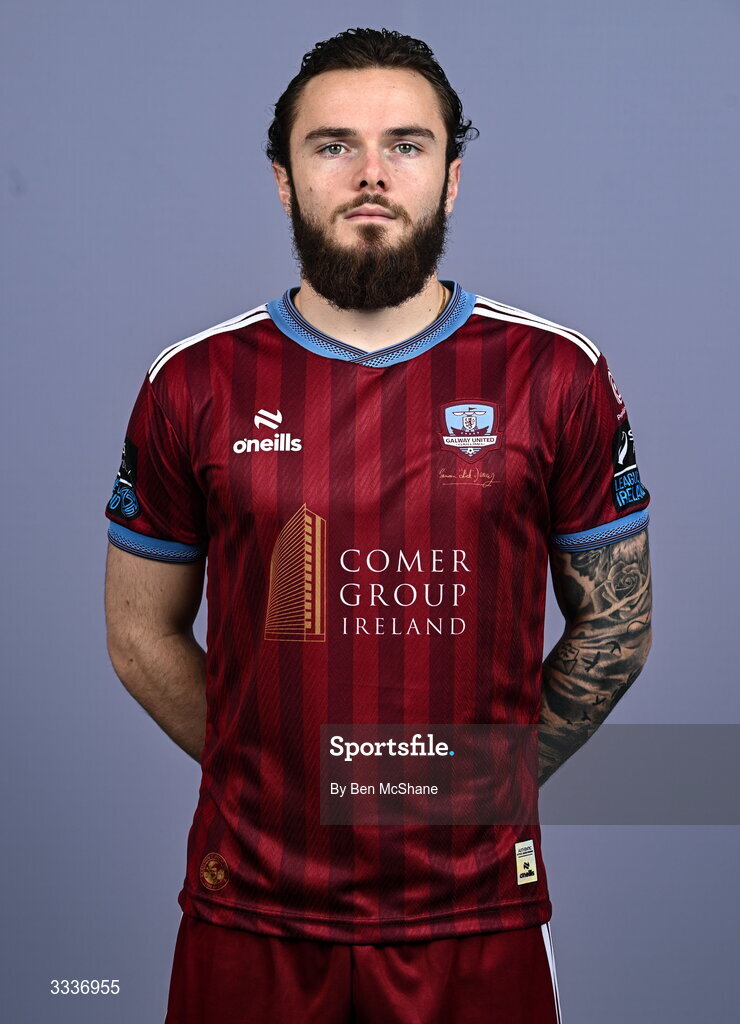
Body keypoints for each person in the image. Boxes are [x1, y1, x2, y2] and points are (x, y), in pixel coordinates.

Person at [104, 26, 652, 1024]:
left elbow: (615, 624)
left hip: (471, 916)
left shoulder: (552, 374)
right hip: (251, 913)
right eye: (331, 146)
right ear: (282, 179)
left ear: (449, 177)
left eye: (405, 144)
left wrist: (470, 791)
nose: (369, 174)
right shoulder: (191, 383)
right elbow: (140, 632)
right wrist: (279, 775)